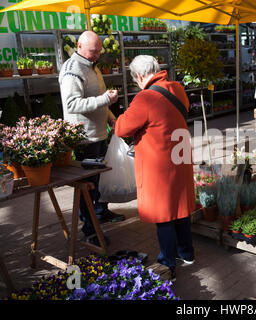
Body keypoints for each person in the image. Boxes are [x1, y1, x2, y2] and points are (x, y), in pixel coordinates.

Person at [114, 55, 196, 280]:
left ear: (139, 76)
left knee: (164, 214)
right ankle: (187, 253)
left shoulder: (145, 98)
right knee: (180, 207)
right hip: (179, 157)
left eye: (135, 79)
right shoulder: (177, 88)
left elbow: (122, 128)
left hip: (159, 163)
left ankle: (167, 263)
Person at [58, 31, 125, 245]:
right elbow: (72, 104)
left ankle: (101, 212)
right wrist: (104, 99)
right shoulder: (72, 70)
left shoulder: (92, 66)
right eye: (93, 51)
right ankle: (90, 230)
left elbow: (98, 101)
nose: (96, 55)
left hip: (98, 134)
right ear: (78, 45)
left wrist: (111, 117)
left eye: (98, 51)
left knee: (99, 180)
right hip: (83, 139)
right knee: (87, 186)